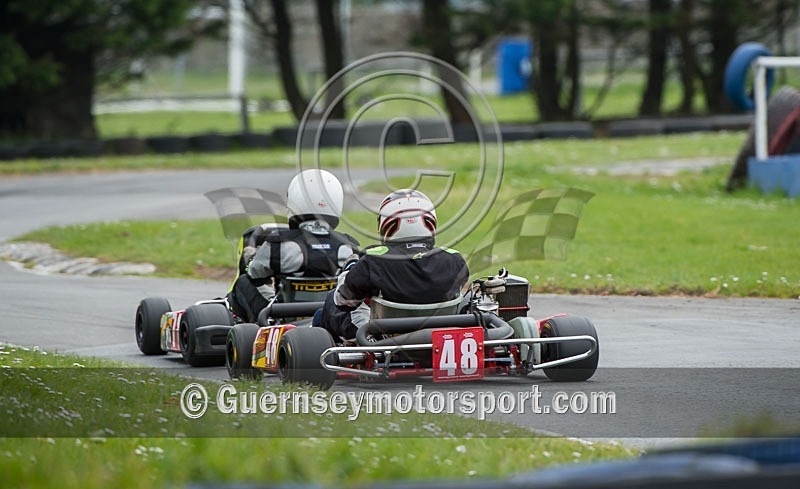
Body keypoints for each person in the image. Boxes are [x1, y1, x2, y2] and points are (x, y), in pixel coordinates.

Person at [318, 189, 469, 340]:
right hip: (442, 337)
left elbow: (343, 302)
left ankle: (320, 345)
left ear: (387, 224)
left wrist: (350, 268)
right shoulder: (454, 259)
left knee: (330, 301)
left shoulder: (373, 260)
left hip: (381, 339)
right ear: (430, 222)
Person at [227, 169, 359, 323]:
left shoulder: (278, 243)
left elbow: (255, 274)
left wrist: (250, 257)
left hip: (282, 316)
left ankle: (247, 325)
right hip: (330, 316)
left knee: (243, 282)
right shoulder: (349, 245)